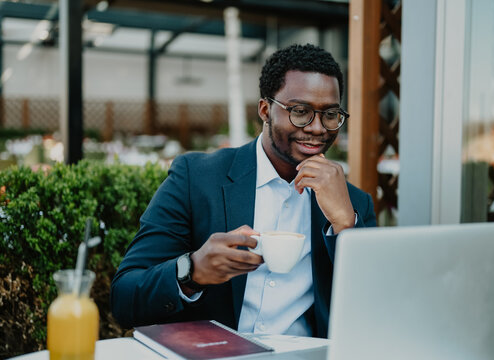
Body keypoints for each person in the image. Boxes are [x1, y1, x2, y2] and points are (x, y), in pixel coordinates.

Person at [110, 44, 376, 338]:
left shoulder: (355, 205)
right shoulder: (195, 178)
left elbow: (373, 314)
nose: (317, 128)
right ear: (265, 110)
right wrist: (192, 271)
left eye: (330, 114)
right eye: (300, 111)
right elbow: (124, 299)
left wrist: (345, 226)